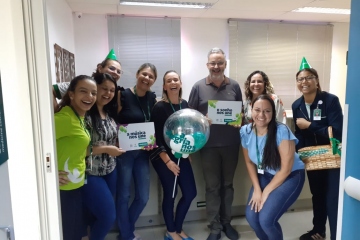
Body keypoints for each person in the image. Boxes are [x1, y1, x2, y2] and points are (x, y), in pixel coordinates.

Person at [188, 47, 242, 240]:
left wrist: (239, 120)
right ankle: (214, 227)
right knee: (212, 187)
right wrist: (203, 119)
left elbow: (240, 113)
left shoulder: (234, 86)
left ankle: (227, 222)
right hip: (208, 146)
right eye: (213, 63)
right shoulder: (198, 87)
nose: (216, 66)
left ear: (225, 64)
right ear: (207, 65)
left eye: (220, 62)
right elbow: (190, 117)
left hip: (231, 144)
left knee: (227, 185)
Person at [240, 94, 305, 240]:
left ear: (273, 112)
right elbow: (249, 162)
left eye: (267, 111)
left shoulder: (282, 131)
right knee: (252, 218)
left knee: (266, 220)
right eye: (257, 110)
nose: (261, 115)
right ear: (251, 110)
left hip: (290, 176)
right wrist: (257, 189)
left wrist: (265, 192)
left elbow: (285, 169)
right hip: (265, 175)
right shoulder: (246, 131)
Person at [292, 58, 343, 240]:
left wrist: (310, 126)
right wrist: (297, 149)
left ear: (317, 80)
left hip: (332, 158)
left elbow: (336, 132)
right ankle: (318, 231)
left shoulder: (330, 101)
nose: (304, 82)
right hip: (313, 158)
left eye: (308, 78)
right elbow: (299, 133)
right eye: (300, 79)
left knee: (332, 199)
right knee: (317, 195)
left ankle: (337, 235)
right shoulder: (297, 105)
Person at [150, 70, 197, 240]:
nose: (173, 83)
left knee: (190, 193)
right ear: (164, 86)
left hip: (181, 154)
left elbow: (186, 130)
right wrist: (168, 161)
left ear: (180, 83)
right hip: (163, 157)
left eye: (175, 79)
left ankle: (178, 228)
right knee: (171, 193)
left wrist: (187, 150)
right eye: (169, 80)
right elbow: (154, 138)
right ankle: (170, 232)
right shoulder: (159, 107)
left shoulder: (184, 104)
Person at [116, 63, 157, 240]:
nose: (146, 79)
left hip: (143, 153)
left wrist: (152, 140)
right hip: (124, 152)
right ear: (137, 74)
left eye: (151, 77)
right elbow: (113, 120)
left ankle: (126, 229)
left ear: (154, 81)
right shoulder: (122, 95)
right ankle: (126, 235)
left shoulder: (152, 98)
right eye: (144, 74)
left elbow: (154, 123)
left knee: (143, 196)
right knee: (124, 194)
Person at [82, 73, 125, 240]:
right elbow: (81, 149)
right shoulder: (84, 113)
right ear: (95, 88)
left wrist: (119, 144)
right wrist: (108, 148)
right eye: (104, 89)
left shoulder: (108, 111)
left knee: (98, 215)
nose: (108, 93)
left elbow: (111, 139)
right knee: (108, 216)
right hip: (91, 172)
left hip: (110, 170)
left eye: (112, 90)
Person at [55, 75, 97, 240]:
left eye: (93, 93)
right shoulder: (64, 119)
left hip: (76, 184)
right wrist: (47, 174)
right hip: (65, 188)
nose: (90, 97)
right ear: (71, 94)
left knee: (77, 231)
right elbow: (31, 146)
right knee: (69, 234)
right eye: (83, 91)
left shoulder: (79, 116)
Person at [53, 49, 123, 111]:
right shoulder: (83, 84)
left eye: (118, 72)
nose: (115, 73)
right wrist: (55, 112)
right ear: (100, 68)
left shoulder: (113, 93)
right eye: (112, 68)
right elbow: (51, 89)